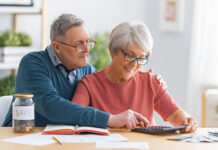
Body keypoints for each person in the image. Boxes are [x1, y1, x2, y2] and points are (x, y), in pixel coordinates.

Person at [3, 14, 152, 129]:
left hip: (65, 142)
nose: (87, 49)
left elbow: (109, 92)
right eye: (79, 45)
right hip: (22, 139)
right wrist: (110, 119)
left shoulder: (87, 71)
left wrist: (149, 82)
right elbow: (51, 106)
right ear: (57, 47)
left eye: (88, 42)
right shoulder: (33, 63)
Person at [72, 21, 198, 132]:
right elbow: (75, 116)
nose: (134, 64)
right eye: (130, 56)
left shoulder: (151, 82)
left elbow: (176, 116)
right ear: (112, 51)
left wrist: (188, 121)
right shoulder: (88, 84)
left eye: (141, 58)